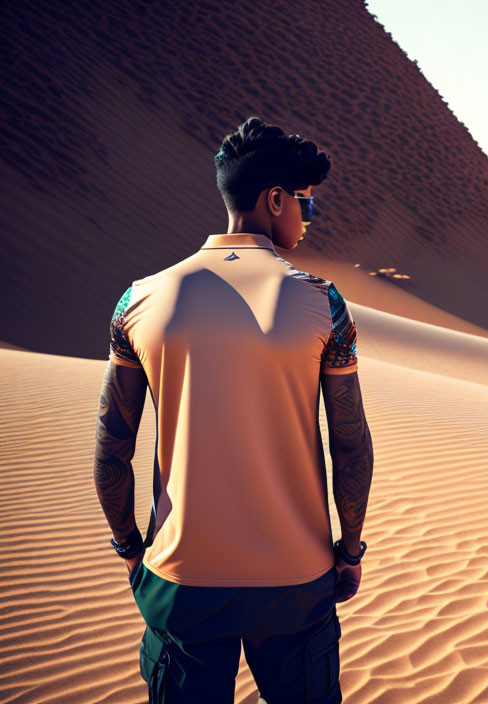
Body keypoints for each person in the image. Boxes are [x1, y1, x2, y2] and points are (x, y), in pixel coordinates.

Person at [93, 117, 374, 703]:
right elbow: (350, 443)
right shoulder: (323, 301)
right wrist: (349, 551)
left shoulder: (139, 299)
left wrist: (129, 551)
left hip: (181, 579)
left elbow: (112, 444)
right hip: (296, 581)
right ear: (275, 200)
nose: (307, 219)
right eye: (306, 206)